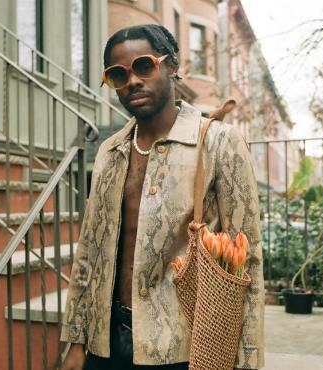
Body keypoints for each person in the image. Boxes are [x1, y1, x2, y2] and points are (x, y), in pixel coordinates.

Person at [60, 24, 264, 370]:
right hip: (106, 344)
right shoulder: (110, 151)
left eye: (143, 66)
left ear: (171, 67)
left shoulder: (219, 143)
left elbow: (250, 262)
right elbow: (90, 252)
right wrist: (77, 341)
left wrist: (246, 362)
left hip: (183, 346)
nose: (132, 81)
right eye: (118, 74)